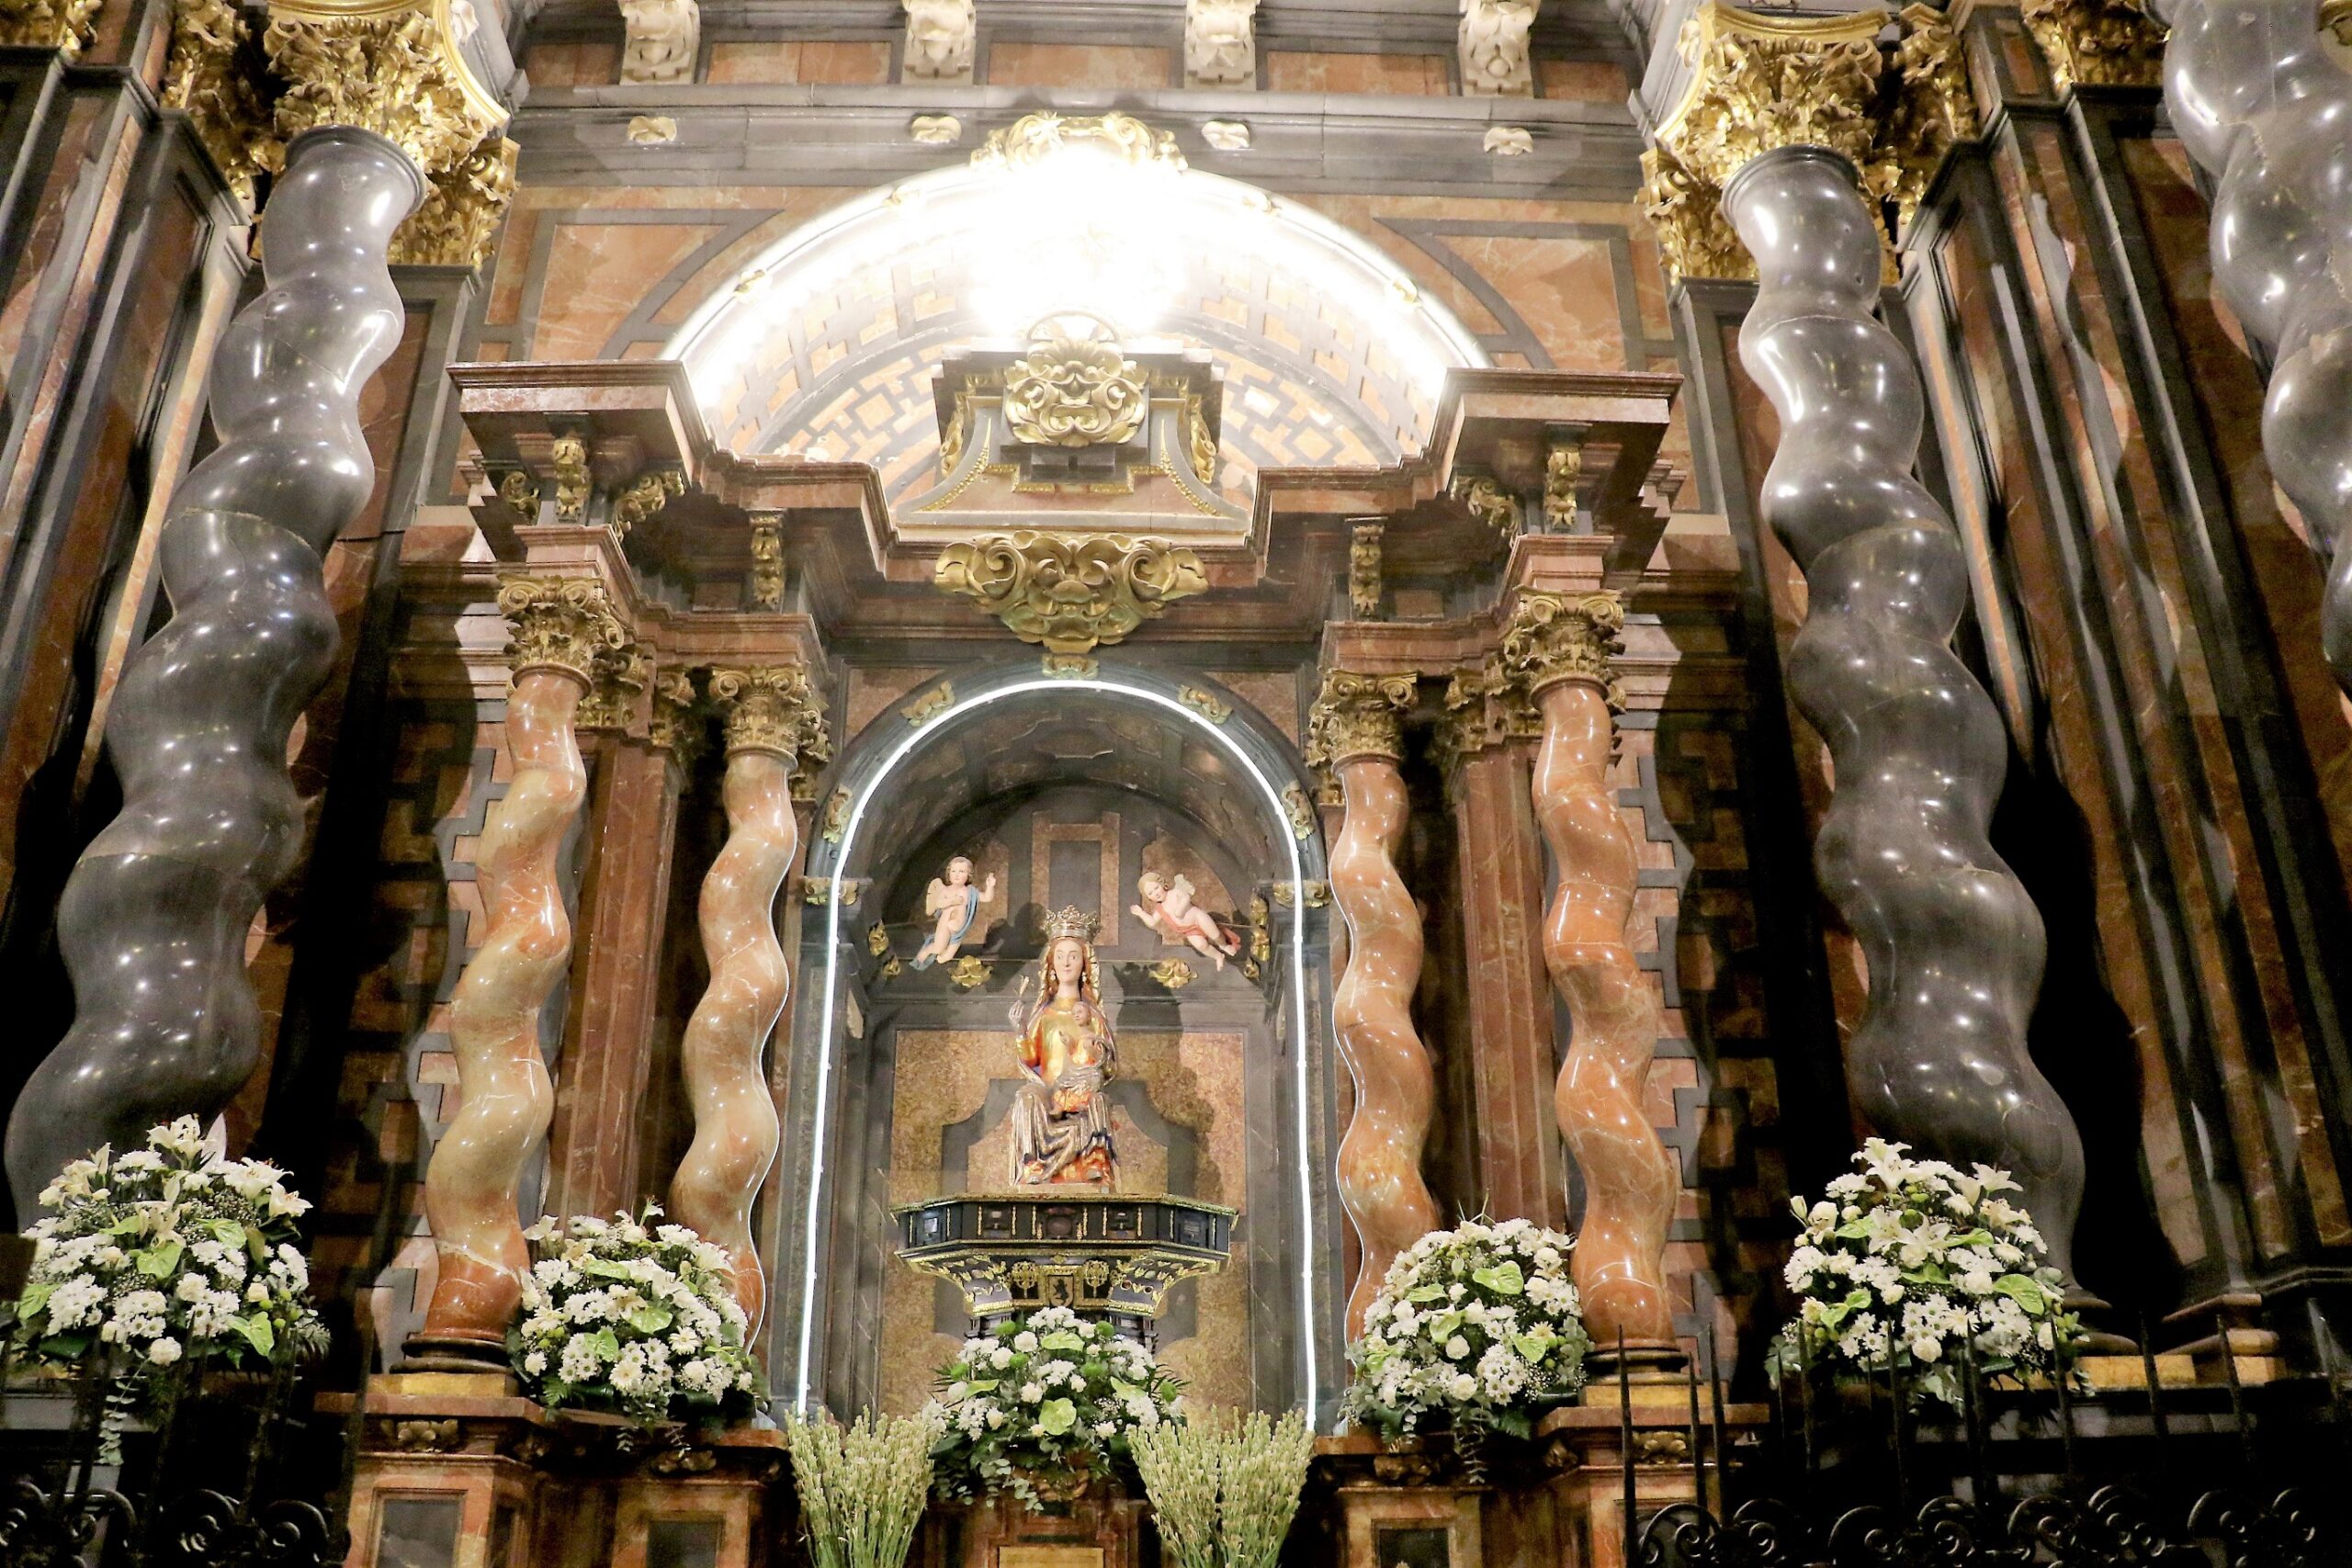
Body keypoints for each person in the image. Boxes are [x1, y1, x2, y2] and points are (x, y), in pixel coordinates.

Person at [1008, 908, 1116, 1186]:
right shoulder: (1044, 1015)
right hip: (1048, 1092)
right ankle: (1033, 1163)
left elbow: (1108, 1063)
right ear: (1051, 964)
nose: (1066, 963)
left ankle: (1095, 1162)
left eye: (1073, 956)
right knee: (1026, 1098)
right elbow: (1031, 1060)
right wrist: (1020, 1029)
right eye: (1060, 956)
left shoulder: (1093, 1016)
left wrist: (1092, 1056)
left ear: (1084, 964)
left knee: (1099, 1100)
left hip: (1081, 1087)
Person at [1132, 870, 1241, 969]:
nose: (1155, 893)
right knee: (1200, 945)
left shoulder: (1174, 893)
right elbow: (1152, 922)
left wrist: (1180, 910)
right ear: (1148, 897)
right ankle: (1218, 956)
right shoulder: (1160, 909)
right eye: (1150, 893)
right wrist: (1141, 913)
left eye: (1156, 888)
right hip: (1189, 930)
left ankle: (1224, 945)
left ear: (1162, 884)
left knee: (1215, 935)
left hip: (1197, 918)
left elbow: (1186, 897)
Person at [910, 854, 996, 968]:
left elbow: (986, 898)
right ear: (949, 873)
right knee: (938, 948)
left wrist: (990, 886)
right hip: (945, 925)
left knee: (946, 957)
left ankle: (937, 966)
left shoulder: (970, 892)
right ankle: (923, 954)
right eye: (954, 871)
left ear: (968, 875)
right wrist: (952, 901)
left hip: (958, 930)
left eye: (961, 871)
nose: (956, 875)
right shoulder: (946, 890)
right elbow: (939, 903)